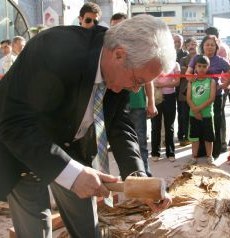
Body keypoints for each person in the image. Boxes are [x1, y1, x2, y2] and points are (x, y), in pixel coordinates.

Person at [0, 15, 176, 237]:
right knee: (34, 230)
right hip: (23, 152)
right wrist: (71, 174)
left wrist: (138, 178)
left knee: (88, 231)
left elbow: (118, 124)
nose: (135, 90)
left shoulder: (123, 69)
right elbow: (13, 123)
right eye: (138, 81)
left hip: (73, 149)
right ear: (119, 54)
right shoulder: (53, 49)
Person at [110, 13, 156, 177]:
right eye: (114, 26)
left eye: (121, 25)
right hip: (116, 105)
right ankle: (131, 178)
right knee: (121, 142)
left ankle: (144, 176)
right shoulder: (108, 51)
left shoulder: (139, 49)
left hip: (137, 104)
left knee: (140, 141)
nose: (118, 30)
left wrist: (151, 102)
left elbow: (148, 79)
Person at [186, 35, 230, 159]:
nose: (210, 47)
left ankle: (213, 153)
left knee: (214, 124)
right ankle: (199, 153)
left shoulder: (220, 60)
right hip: (197, 96)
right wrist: (192, 77)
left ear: (216, 46)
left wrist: (224, 85)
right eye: (207, 44)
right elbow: (187, 74)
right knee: (198, 125)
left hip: (216, 97)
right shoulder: (196, 58)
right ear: (203, 46)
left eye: (212, 44)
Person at [186, 55, 216, 165]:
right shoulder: (191, 82)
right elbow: (188, 98)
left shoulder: (211, 81)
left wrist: (198, 109)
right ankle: (194, 157)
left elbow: (211, 98)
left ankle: (209, 157)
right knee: (194, 138)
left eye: (204, 66)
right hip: (194, 115)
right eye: (199, 66)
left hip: (207, 114)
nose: (201, 68)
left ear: (208, 67)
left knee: (208, 138)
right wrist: (195, 111)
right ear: (195, 67)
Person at [151, 62, 180, 162]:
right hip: (156, 96)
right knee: (155, 125)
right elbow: (150, 80)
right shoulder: (154, 62)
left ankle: (170, 152)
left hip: (170, 97)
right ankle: (155, 152)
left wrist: (162, 84)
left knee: (169, 126)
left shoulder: (175, 64)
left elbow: (177, 82)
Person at [178, 37, 198, 146]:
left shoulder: (201, 58)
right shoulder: (183, 59)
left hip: (198, 92)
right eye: (190, 44)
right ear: (186, 46)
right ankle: (185, 136)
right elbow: (182, 71)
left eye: (194, 44)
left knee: (195, 115)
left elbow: (201, 70)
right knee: (184, 115)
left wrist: (188, 69)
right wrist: (192, 70)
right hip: (184, 92)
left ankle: (195, 136)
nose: (192, 46)